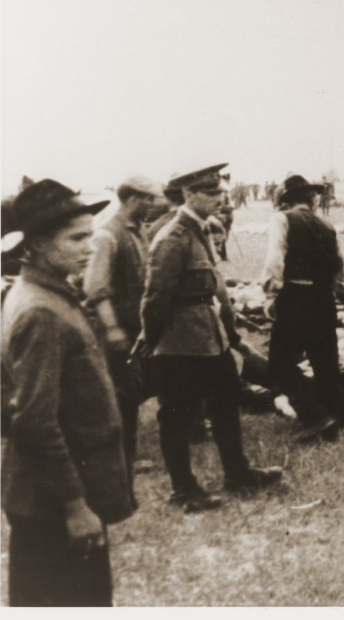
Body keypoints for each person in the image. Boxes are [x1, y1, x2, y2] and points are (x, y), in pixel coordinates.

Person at [2, 179, 136, 606]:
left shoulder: (48, 291)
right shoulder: (41, 310)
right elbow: (35, 423)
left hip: (53, 495)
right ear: (38, 244)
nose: (90, 247)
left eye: (91, 235)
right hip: (53, 504)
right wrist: (75, 506)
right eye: (77, 238)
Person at [141, 164, 282, 512]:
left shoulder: (201, 231)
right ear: (189, 195)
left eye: (220, 192)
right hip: (180, 342)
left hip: (210, 335)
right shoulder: (172, 238)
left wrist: (230, 335)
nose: (219, 198)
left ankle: (237, 473)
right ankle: (183, 489)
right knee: (176, 415)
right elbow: (155, 298)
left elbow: (215, 289)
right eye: (211, 192)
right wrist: (153, 342)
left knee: (226, 403)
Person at [261, 174, 344, 442]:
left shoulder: (281, 219)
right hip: (323, 300)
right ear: (312, 199)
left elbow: (276, 258)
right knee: (325, 363)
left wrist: (271, 294)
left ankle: (314, 415)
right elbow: (342, 273)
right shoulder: (327, 226)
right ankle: (334, 414)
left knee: (279, 364)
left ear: (287, 201)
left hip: (295, 298)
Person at [82, 175, 162, 486]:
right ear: (131, 200)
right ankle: (121, 457)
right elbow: (95, 288)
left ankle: (121, 453)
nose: (154, 203)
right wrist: (113, 330)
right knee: (123, 396)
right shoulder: (108, 236)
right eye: (148, 198)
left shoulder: (138, 230)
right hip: (116, 330)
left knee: (136, 390)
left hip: (137, 327)